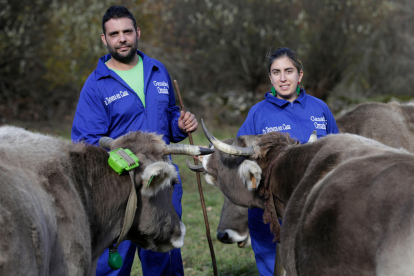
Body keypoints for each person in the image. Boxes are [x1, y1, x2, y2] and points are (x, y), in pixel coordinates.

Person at [71, 6, 198, 276]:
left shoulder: (157, 69)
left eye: (127, 31)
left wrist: (180, 123)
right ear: (104, 39)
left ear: (137, 33)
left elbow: (170, 117)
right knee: (112, 265)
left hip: (162, 178)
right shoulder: (96, 84)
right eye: (114, 34)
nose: (122, 39)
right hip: (119, 185)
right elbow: (85, 140)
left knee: (163, 259)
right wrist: (127, 161)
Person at [237, 47, 339, 275]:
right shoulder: (258, 113)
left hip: (316, 206)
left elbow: (337, 149)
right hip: (270, 211)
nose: (283, 78)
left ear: (300, 75)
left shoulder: (319, 108)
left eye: (289, 71)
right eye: (276, 72)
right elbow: (238, 155)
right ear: (270, 77)